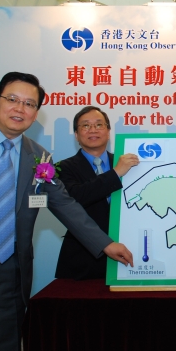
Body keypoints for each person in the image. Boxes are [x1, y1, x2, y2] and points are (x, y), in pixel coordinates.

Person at [0, 72, 134, 351]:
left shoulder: (40, 156)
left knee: (5, 346)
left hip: (11, 270)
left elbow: (65, 204)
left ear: (36, 114)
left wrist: (106, 244)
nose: (20, 108)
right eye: (13, 99)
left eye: (30, 104)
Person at [55, 106, 139, 280]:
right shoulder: (63, 167)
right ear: (76, 135)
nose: (93, 130)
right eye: (85, 125)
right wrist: (115, 174)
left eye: (99, 124)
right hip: (82, 259)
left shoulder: (125, 164)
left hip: (127, 253)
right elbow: (76, 197)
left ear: (108, 132)